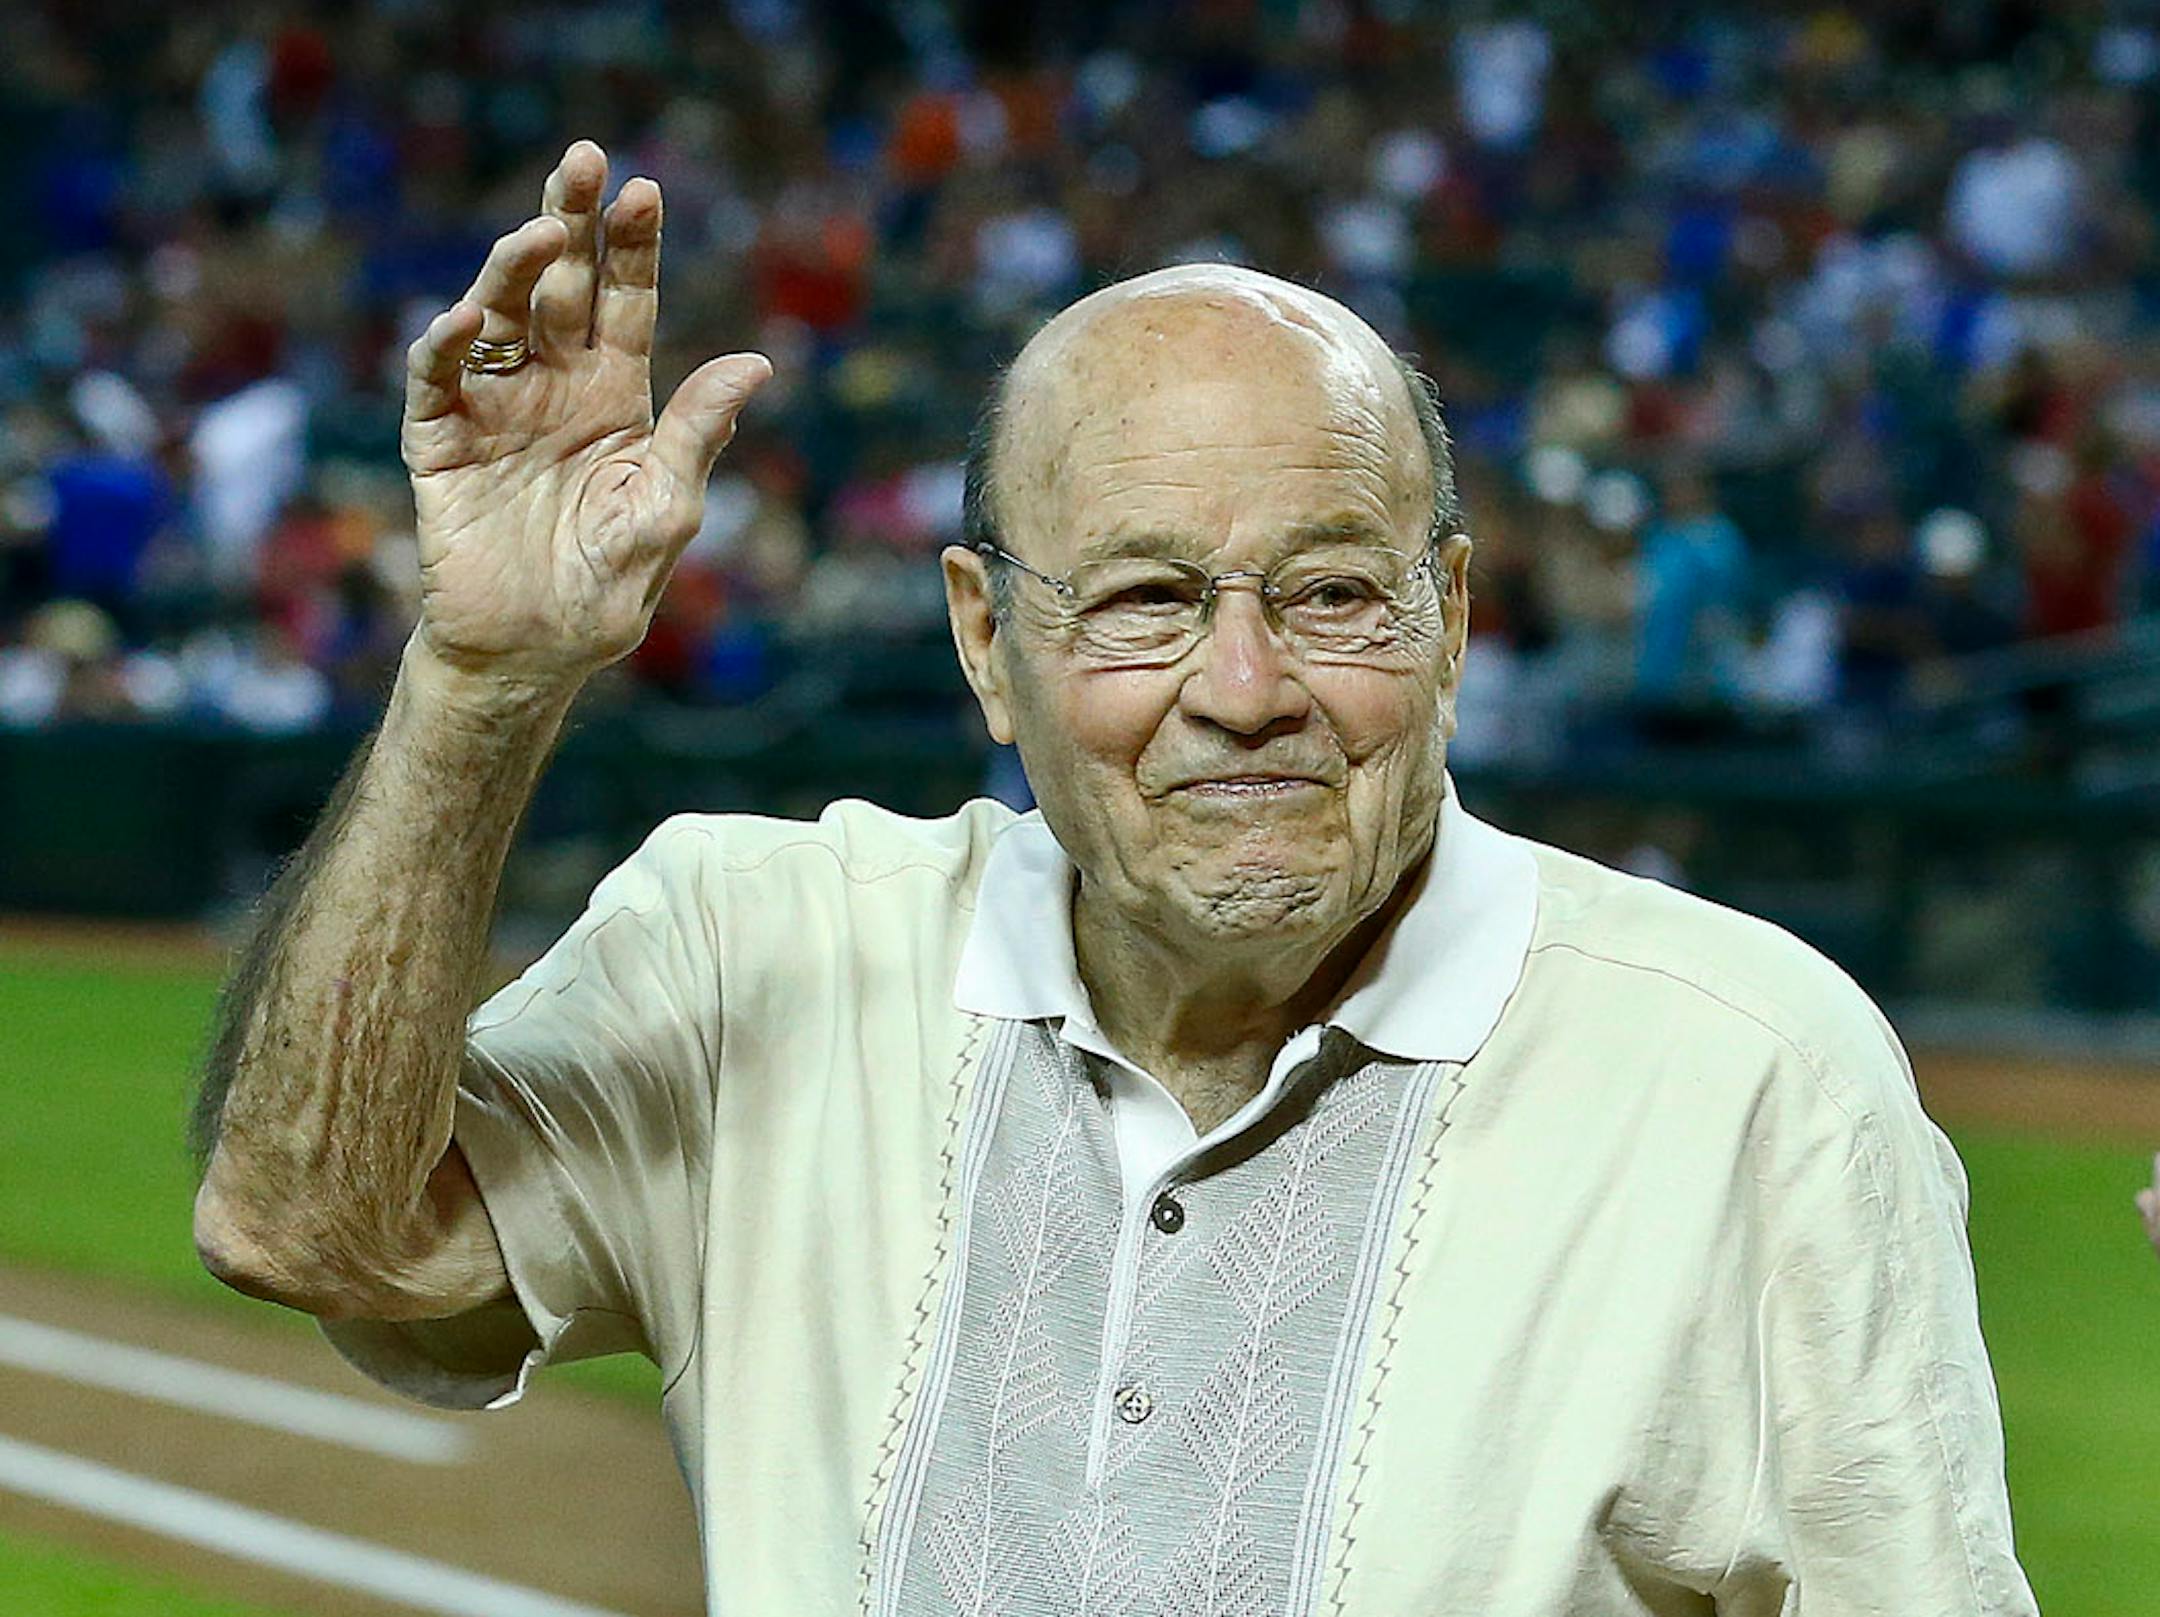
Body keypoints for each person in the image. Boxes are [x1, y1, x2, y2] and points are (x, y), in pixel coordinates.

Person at [190, 141, 2037, 1616]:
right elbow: (311, 1228)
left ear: (1455, 618)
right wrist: (482, 681)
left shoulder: (1755, 1074)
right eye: (1148, 601)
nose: (1247, 694)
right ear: (987, 644)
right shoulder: (763, 948)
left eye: (1333, 593)